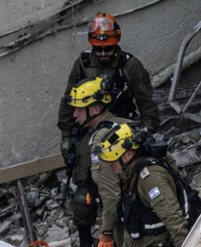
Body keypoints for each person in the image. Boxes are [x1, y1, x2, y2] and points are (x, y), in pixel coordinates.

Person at [58, 13, 158, 168]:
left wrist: (146, 133)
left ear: (116, 42)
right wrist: (66, 137)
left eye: (108, 48)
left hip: (122, 127)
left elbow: (146, 103)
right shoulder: (83, 64)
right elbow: (69, 99)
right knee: (83, 168)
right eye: (98, 49)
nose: (103, 53)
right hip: (88, 128)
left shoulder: (130, 66)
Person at [94, 124, 194, 247]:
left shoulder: (150, 178)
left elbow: (172, 218)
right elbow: (134, 218)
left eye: (113, 161)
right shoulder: (132, 175)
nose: (111, 165)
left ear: (128, 154)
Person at [63, 76, 136, 247]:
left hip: (131, 221)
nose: (74, 115)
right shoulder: (126, 125)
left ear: (95, 108)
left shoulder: (102, 140)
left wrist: (106, 233)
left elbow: (111, 195)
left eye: (79, 110)